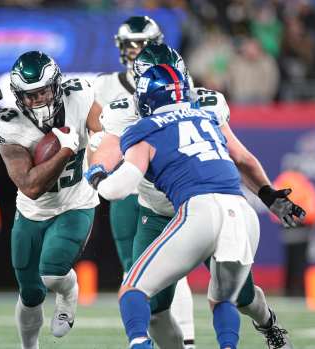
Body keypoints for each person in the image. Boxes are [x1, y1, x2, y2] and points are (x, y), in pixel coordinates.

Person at [89, 42, 304, 349]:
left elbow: (239, 156)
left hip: (196, 207)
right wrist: (98, 168)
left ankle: (267, 322)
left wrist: (98, 180)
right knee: (157, 308)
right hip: (159, 212)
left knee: (240, 296)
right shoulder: (129, 112)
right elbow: (107, 151)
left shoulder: (201, 105)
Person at [0, 51, 102, 349]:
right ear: (18, 97)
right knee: (30, 293)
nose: (38, 100)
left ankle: (69, 291)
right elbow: (30, 186)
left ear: (58, 85)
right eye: (30, 95)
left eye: (43, 91)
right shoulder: (7, 124)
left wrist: (101, 144)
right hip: (32, 211)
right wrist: (65, 151)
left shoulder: (80, 95)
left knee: (52, 274)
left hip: (76, 203)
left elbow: (103, 132)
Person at [92, 17, 194, 347]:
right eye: (131, 45)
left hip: (166, 182)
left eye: (143, 44)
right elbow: (99, 135)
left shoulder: (180, 79)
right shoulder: (107, 85)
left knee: (175, 266)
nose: (137, 52)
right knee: (134, 268)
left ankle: (187, 338)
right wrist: (100, 164)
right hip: (128, 181)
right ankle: (145, 335)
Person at [272, 170, 315, 297]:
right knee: (300, 261)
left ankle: (290, 290)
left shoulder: (284, 181)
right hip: (303, 228)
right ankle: (299, 290)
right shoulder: (304, 185)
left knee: (292, 261)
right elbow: (312, 209)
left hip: (291, 227)